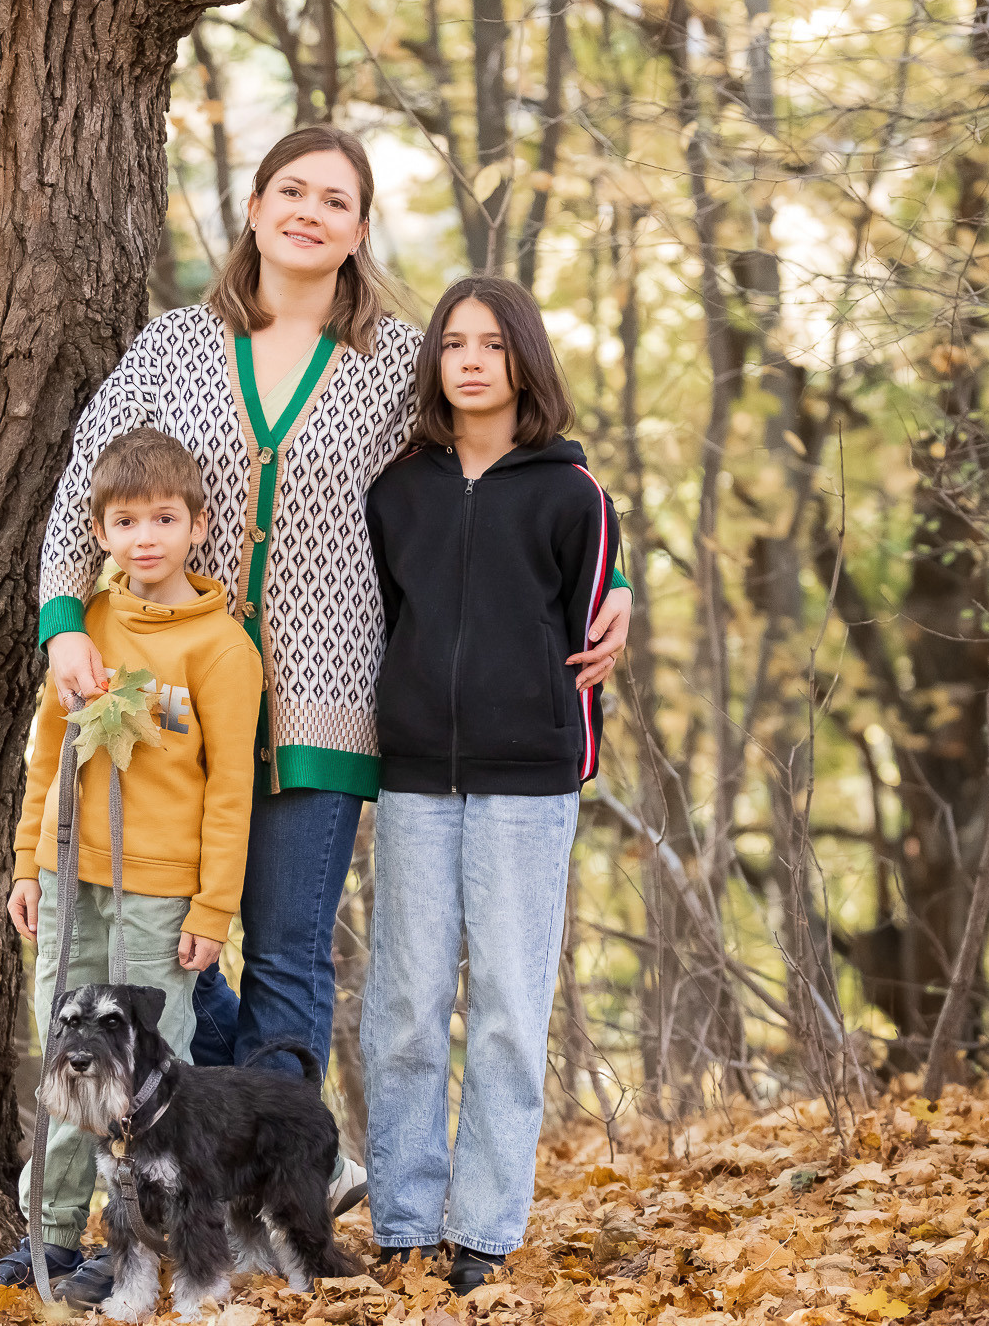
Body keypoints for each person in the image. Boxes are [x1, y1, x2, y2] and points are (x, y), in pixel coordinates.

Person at [34, 124, 631, 1295]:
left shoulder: (392, 361)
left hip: (326, 698)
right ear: (253, 209)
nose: (309, 212)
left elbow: (509, 477)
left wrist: (610, 580)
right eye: (289, 191)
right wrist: (65, 618)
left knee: (293, 955)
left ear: (359, 231)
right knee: (169, 938)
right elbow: (80, 479)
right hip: (169, 705)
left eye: (336, 200)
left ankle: (282, 1203)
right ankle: (195, 1168)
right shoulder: (171, 348)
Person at [360, 277, 620, 1294]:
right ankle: (404, 1218)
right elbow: (383, 617)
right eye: (453, 344)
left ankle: (483, 1232)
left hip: (526, 783)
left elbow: (594, 628)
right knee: (408, 1005)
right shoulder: (397, 492)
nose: (470, 360)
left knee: (510, 1004)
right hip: (416, 776)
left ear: (523, 361)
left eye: (491, 345)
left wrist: (568, 745)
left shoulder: (571, 495)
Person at [0, 429, 264, 1306]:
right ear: (98, 531)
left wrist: (214, 908)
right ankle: (47, 1229)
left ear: (198, 525)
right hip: (68, 875)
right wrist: (27, 860)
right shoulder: (86, 628)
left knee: (135, 1078)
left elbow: (231, 791)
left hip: (164, 890)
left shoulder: (223, 648)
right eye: (125, 520)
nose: (145, 537)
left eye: (164, 518)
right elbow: (45, 753)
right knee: (67, 1054)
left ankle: (119, 1237)